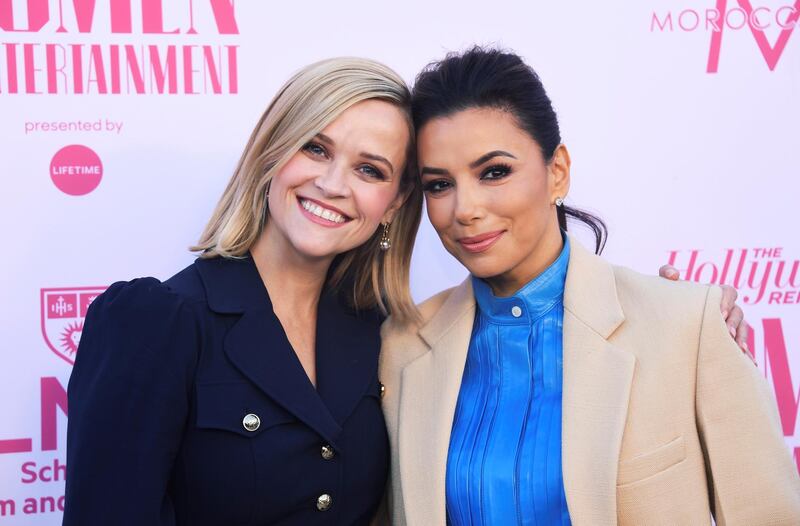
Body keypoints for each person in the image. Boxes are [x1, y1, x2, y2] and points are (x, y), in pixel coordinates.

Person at [378, 47, 800, 525]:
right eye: (439, 184)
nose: (465, 208)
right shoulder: (400, 348)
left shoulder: (687, 325)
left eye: (494, 172)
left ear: (557, 171)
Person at [63, 57, 424, 526]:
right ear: (273, 151)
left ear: (394, 203)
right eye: (315, 148)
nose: (333, 184)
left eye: (369, 170)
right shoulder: (153, 320)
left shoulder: (383, 333)